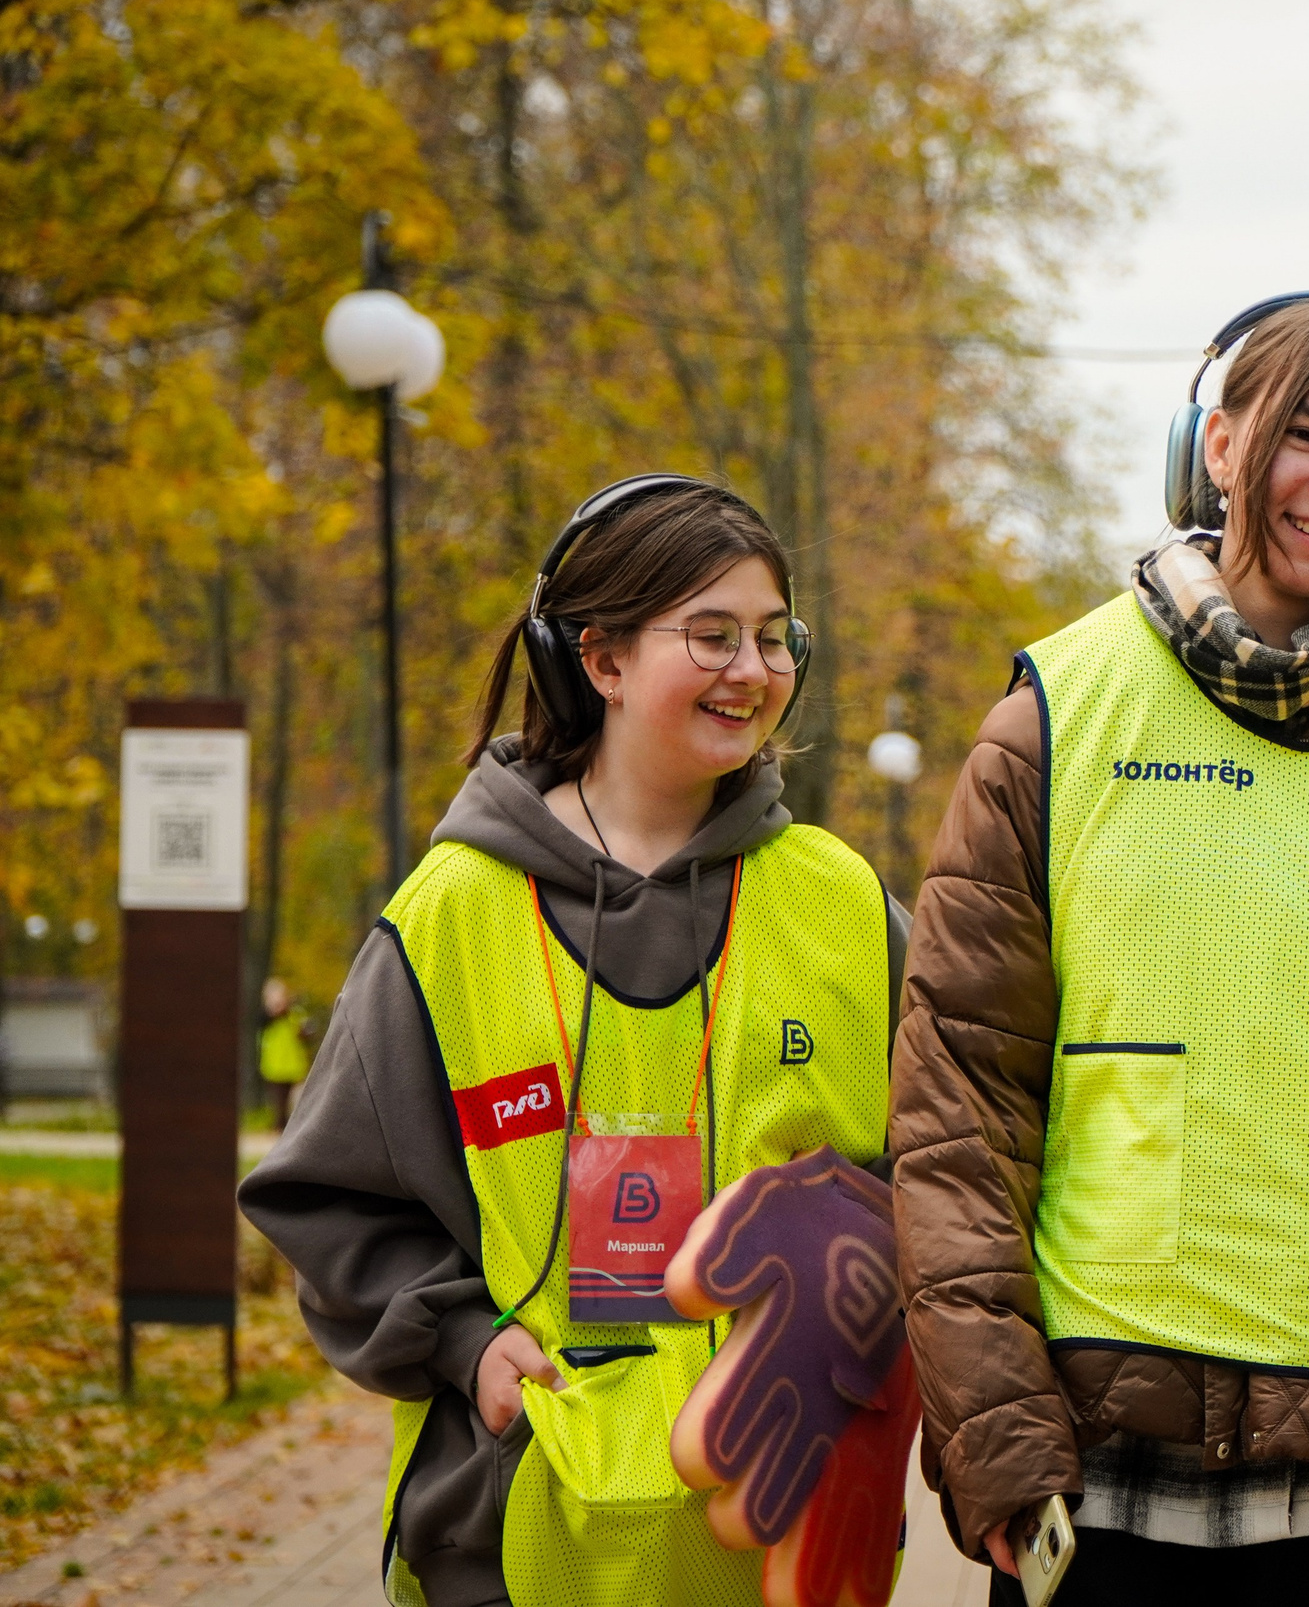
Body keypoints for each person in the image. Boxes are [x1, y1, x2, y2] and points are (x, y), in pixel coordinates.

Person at [891, 294, 1309, 1607]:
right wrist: (1003, 1447)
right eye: (1304, 434)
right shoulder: (1055, 718)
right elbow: (958, 1108)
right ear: (1222, 440)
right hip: (1097, 1483)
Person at [240, 477, 908, 1607]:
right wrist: (467, 1347)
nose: (753, 670)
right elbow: (331, 1200)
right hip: (511, 1528)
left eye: (772, 637)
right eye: (711, 635)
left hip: (781, 1525)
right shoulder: (453, 911)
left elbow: (950, 1170)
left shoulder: (842, 903)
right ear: (597, 660)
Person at [256, 976, 310, 1131]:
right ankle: (280, 1130)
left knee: (294, 1103)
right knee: (279, 1105)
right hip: (274, 1068)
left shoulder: (293, 1014)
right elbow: (262, 1022)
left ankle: (291, 1129)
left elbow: (303, 1034)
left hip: (294, 1067)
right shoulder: (266, 1017)